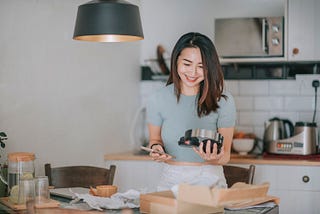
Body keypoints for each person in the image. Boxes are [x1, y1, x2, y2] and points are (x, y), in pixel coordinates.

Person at [146, 32, 236, 191]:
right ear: (176, 61)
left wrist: (213, 158)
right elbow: (155, 140)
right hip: (170, 179)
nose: (193, 73)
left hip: (209, 179)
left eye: (201, 67)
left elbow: (226, 155)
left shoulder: (223, 101)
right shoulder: (157, 98)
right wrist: (156, 150)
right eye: (187, 64)